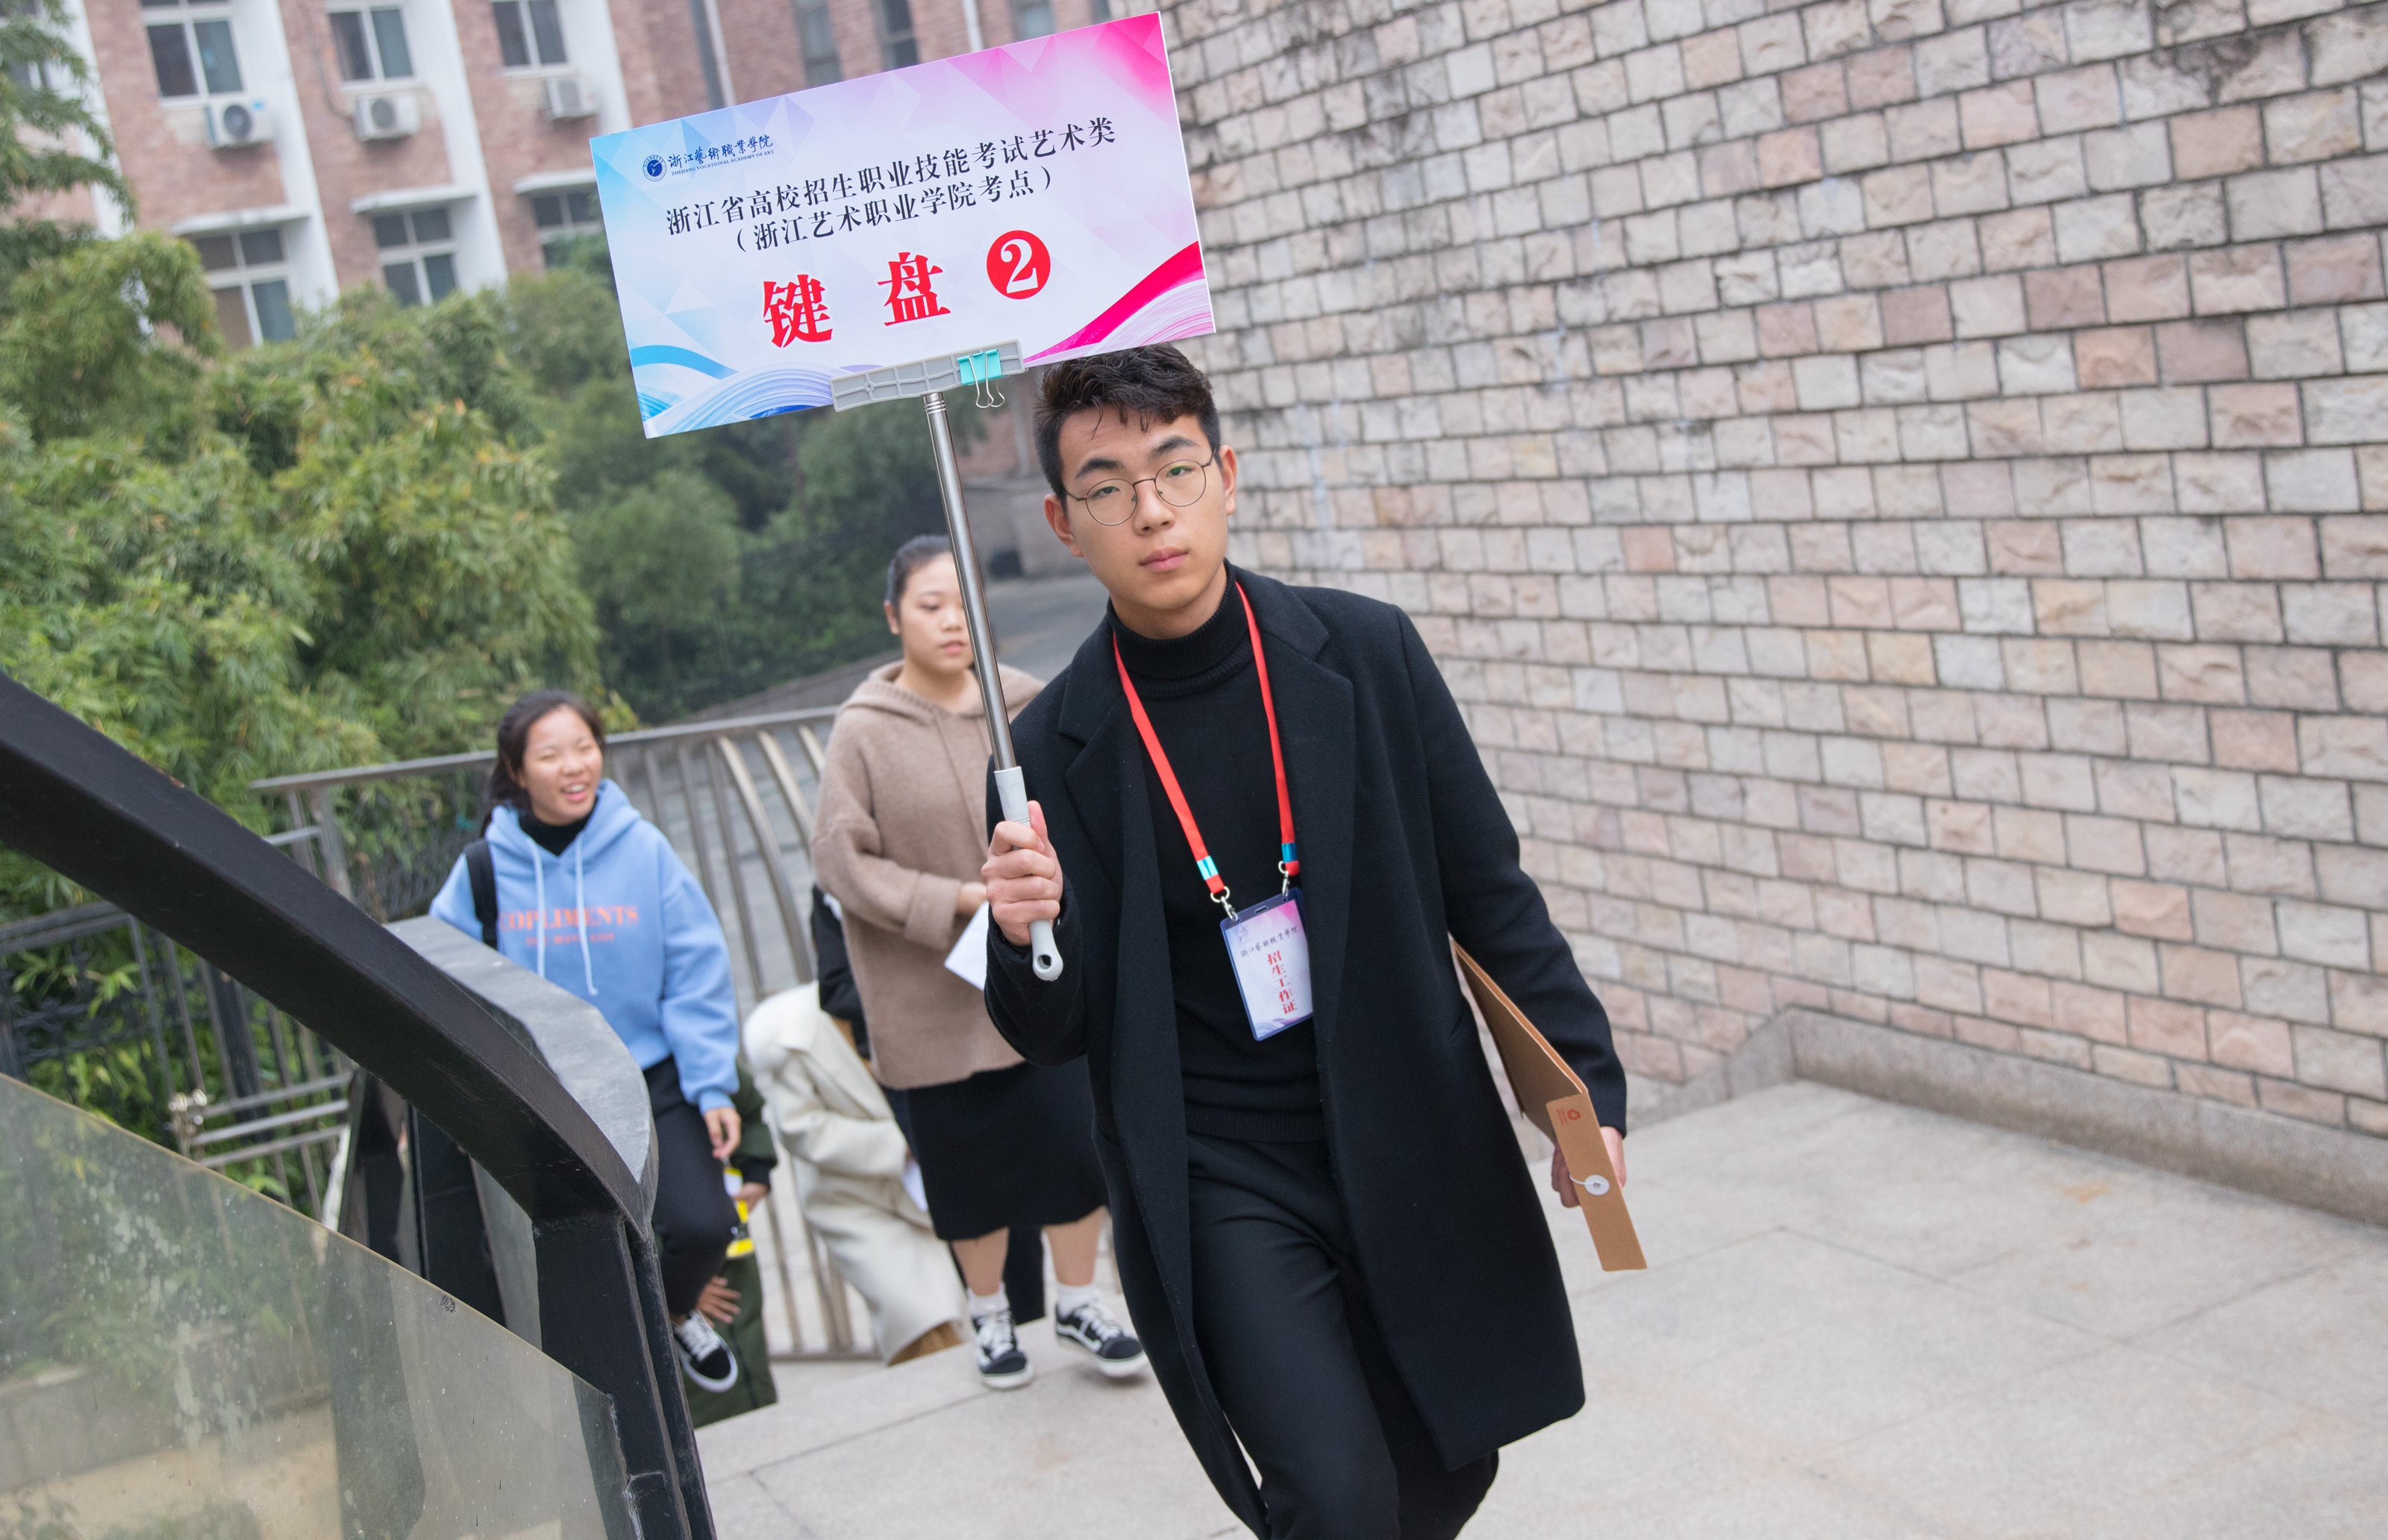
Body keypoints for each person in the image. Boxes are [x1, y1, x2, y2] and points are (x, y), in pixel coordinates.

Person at [979, 346, 1629, 1540]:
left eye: (1176, 468)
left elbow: (1489, 891)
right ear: (1065, 524)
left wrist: (1580, 1086)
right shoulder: (1042, 754)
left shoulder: (1366, 654)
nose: (1152, 510)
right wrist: (1024, 934)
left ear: (1226, 475)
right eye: (1109, 487)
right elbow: (1050, 1031)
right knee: (1333, 1496)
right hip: (1222, 1173)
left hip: (1405, 1120)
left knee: (1446, 1467)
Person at [813, 535, 1145, 1389]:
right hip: (929, 994)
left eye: (965, 605)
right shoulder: (863, 730)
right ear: (893, 617)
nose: (952, 622)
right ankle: (991, 1316)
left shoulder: (1022, 702)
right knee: (966, 1168)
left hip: (1037, 975)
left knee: (1071, 1146)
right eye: (930, 605)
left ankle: (1079, 1301)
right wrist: (955, 900)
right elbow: (842, 862)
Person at [429, 689, 747, 1393]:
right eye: (551, 755)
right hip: (545, 1091)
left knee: (704, 1227)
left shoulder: (643, 850)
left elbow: (695, 969)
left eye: (585, 748)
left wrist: (712, 1086)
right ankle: (624, 1380)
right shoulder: (484, 870)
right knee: (582, 1248)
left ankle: (674, 1313)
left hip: (650, 1078)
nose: (575, 766)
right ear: (517, 771)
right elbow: (442, 977)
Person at [744, 982, 969, 1364]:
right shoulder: (792, 1034)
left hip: (919, 1192)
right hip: (848, 1201)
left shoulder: (902, 996)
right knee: (918, 1317)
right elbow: (799, 1128)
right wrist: (899, 1143)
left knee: (951, 1310)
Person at [682, 1062, 782, 1425]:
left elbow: (748, 1105)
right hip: (676, 1270)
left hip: (727, 1236)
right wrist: (671, 1284)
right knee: (708, 1391)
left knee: (748, 1342)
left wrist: (756, 1168)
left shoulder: (702, 1052)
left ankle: (765, 1422)